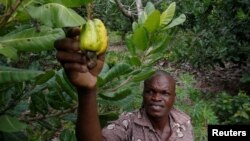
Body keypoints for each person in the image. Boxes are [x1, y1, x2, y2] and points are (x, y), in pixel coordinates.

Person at [55, 28, 194, 141]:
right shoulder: (128, 124)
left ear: (174, 98)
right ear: (143, 94)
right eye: (150, 91)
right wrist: (87, 91)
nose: (156, 98)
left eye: (164, 93)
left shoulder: (184, 122)